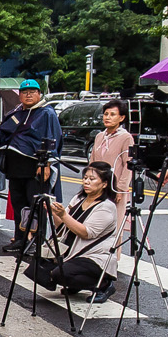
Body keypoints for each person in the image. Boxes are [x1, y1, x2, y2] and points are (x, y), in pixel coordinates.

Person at [27, 160, 122, 298]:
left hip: (93, 257)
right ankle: (76, 283)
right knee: (38, 268)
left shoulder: (106, 207)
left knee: (60, 273)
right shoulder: (79, 198)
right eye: (85, 178)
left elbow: (86, 233)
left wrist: (64, 215)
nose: (86, 182)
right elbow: (62, 227)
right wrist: (53, 211)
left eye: (92, 179)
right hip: (72, 252)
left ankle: (103, 284)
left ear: (104, 184)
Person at [0, 79, 61, 254]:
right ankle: (20, 239)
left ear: (39, 94)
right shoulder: (17, 112)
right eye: (24, 92)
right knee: (18, 205)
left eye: (32, 91)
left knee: (36, 205)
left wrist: (46, 164)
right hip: (15, 167)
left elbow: (52, 139)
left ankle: (37, 242)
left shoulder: (46, 113)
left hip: (35, 167)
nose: (28, 95)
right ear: (20, 95)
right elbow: (7, 133)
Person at [89, 100, 135, 233]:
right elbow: (92, 161)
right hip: (97, 186)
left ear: (121, 118)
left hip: (115, 188)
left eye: (112, 114)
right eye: (106, 114)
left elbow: (128, 165)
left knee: (114, 227)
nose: (107, 117)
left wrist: (120, 188)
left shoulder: (126, 137)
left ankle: (114, 254)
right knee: (95, 225)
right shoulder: (99, 136)